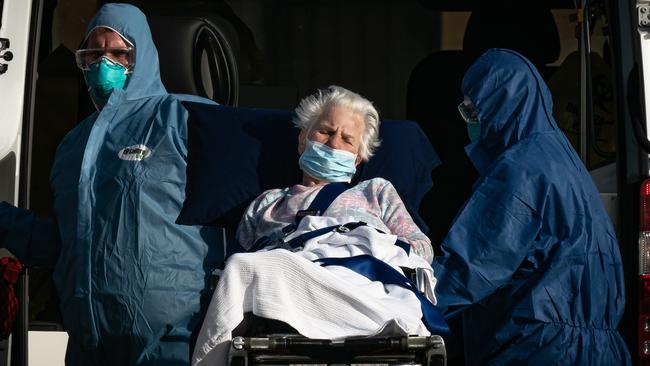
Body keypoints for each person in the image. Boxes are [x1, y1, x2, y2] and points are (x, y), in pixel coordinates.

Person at [0, 4, 222, 365]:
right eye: (94, 53)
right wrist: (6, 223)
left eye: (119, 53)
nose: (105, 64)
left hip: (173, 343)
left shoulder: (187, 118)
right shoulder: (74, 146)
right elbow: (68, 245)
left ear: (143, 57)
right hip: (91, 343)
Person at [192, 85, 438, 365]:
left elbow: (421, 247)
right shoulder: (268, 203)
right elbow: (236, 264)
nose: (334, 144)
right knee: (238, 268)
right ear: (302, 140)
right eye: (325, 131)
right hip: (290, 288)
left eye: (347, 139)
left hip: (365, 287)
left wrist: (373, 242)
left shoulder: (376, 191)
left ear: (357, 159)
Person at [431, 48, 630, 365]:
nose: (471, 122)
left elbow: (472, 266)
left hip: (540, 349)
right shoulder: (562, 158)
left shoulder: (519, 170)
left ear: (501, 104)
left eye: (474, 110)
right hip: (597, 348)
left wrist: (400, 302)